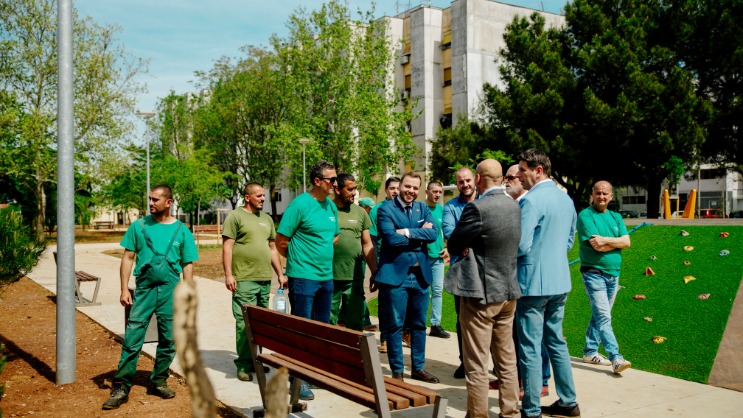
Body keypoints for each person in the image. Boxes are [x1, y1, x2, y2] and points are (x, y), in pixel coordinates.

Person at [103, 185, 199, 410]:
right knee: (132, 338)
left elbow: (187, 264)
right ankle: (121, 386)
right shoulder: (138, 226)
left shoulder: (182, 230)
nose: (150, 203)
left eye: (155, 199)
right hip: (144, 290)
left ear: (168, 202)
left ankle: (159, 380)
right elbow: (128, 257)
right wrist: (124, 289)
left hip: (171, 292)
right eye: (150, 199)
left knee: (169, 340)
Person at [444, 159, 522, 418]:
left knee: (476, 364)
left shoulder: (477, 207)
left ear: (478, 179)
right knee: (507, 361)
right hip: (508, 292)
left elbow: (454, 244)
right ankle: (510, 413)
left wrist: (468, 244)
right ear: (502, 179)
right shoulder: (514, 205)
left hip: (481, 295)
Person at [514, 149, 580, 418]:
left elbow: (521, 245)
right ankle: (569, 402)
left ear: (538, 170)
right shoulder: (566, 200)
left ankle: (531, 410)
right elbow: (569, 242)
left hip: (532, 284)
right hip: (559, 281)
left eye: (523, 169)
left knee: (530, 349)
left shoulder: (530, 201)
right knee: (556, 342)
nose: (519, 175)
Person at [275, 160, 340, 401]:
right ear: (317, 181)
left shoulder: (330, 206)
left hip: (326, 278)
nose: (335, 183)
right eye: (331, 179)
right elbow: (281, 241)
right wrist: (300, 260)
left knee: (320, 329)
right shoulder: (299, 205)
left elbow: (334, 236)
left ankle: (312, 373)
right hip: (303, 277)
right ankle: (297, 378)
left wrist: (320, 251)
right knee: (302, 328)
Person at [373, 172, 440, 383]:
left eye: (415, 188)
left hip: (420, 276)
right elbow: (390, 239)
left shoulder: (423, 208)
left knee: (419, 325)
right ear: (400, 185)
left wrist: (405, 232)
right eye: (407, 186)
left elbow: (434, 234)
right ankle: (398, 372)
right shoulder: (385, 209)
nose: (411, 191)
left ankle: (418, 368)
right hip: (395, 276)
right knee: (395, 325)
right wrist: (419, 233)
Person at [222, 183, 286, 382]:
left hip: (264, 279)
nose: (263, 199)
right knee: (244, 323)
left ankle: (256, 360)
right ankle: (243, 365)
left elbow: (272, 248)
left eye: (264, 195)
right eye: (259, 196)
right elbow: (227, 247)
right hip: (243, 279)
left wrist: (280, 273)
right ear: (247, 197)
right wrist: (229, 274)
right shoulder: (235, 217)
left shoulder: (267, 219)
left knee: (259, 323)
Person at [504, 164, 552, 398]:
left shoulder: (530, 203)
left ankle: (540, 382)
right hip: (511, 278)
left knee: (534, 334)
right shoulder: (513, 204)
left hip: (530, 278)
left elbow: (523, 245)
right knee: (516, 332)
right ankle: (516, 379)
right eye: (506, 177)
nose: (507, 181)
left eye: (512, 177)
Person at [577, 181, 632, 373]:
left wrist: (607, 240)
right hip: (594, 273)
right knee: (603, 316)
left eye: (605, 193)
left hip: (613, 274)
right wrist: (616, 243)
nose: (601, 196)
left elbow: (627, 242)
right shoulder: (585, 215)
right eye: (598, 193)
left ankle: (590, 352)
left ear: (611, 196)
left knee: (600, 314)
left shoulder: (616, 217)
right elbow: (596, 245)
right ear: (592, 194)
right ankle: (616, 357)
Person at [442, 166, 478, 378]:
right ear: (456, 184)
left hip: (483, 269)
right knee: (462, 318)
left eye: (467, 180)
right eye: (461, 182)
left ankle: (492, 362)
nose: (465, 185)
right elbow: (449, 231)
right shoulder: (450, 206)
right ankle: (465, 362)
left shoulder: (485, 200)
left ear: (475, 179)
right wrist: (462, 243)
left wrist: (465, 242)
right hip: (461, 269)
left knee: (488, 318)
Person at [330, 174, 378, 331]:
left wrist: (374, 271)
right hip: (329, 277)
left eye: (355, 188)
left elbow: (367, 244)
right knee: (328, 323)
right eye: (350, 189)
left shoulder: (360, 212)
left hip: (354, 278)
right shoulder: (326, 209)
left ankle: (355, 348)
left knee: (355, 324)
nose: (354, 193)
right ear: (337, 190)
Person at [369, 176, 401, 353]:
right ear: (386, 190)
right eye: (392, 188)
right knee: (384, 304)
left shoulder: (406, 208)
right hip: (385, 263)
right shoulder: (376, 211)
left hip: (403, 262)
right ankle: (385, 338)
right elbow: (372, 242)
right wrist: (375, 269)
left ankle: (403, 333)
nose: (395, 191)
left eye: (398, 188)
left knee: (404, 302)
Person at [424, 180, 450, 339]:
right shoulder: (419, 208)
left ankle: (435, 325)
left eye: (440, 192)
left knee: (438, 291)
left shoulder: (442, 210)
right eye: (434, 191)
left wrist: (448, 248)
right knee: (421, 291)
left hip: (438, 257)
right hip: (422, 257)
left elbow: (448, 231)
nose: (438, 195)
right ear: (427, 192)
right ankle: (418, 324)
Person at [357, 196, 378, 332]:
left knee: (355, 288)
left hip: (363, 258)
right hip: (356, 258)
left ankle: (342, 317)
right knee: (358, 289)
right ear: (364, 207)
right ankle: (364, 319)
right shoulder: (359, 217)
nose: (372, 212)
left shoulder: (368, 219)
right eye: (370, 209)